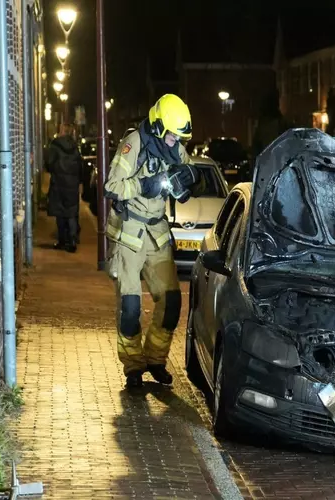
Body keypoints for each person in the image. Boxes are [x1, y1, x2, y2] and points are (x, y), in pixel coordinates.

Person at [104, 94, 203, 388]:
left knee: (172, 302)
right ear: (159, 128)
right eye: (173, 136)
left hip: (157, 233)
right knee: (130, 305)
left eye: (179, 137)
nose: (176, 141)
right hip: (130, 235)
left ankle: (155, 360)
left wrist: (189, 179)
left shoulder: (175, 148)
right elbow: (112, 186)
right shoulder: (134, 143)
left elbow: (186, 172)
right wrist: (142, 184)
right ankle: (133, 366)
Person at [46, 123, 84, 253]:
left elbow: (49, 164)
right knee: (72, 212)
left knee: (60, 213)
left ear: (61, 131)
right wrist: (78, 181)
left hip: (58, 183)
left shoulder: (55, 146)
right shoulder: (74, 147)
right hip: (72, 184)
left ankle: (62, 240)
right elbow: (80, 166)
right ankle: (73, 241)